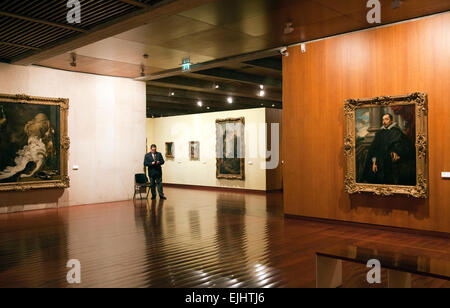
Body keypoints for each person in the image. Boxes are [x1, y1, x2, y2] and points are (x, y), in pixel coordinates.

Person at [363, 113, 416, 185]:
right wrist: (374, 162)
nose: (384, 121)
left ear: (391, 121)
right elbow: (374, 150)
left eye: (386, 119)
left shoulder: (397, 132)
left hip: (391, 163)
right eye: (383, 119)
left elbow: (402, 146)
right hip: (379, 162)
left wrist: (395, 152)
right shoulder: (379, 134)